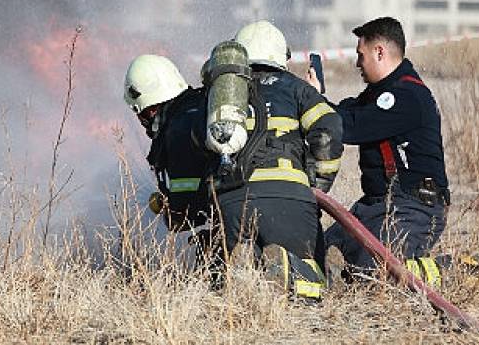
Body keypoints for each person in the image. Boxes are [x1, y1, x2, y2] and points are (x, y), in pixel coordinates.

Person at [124, 21, 342, 299]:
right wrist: (315, 185)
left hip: (233, 202)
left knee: (225, 278)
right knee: (310, 282)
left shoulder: (213, 101)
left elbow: (194, 173)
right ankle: (316, 271)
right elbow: (330, 130)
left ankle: (246, 260)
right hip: (291, 199)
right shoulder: (298, 89)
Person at [312, 17, 450, 285]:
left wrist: (314, 102)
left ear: (379, 52)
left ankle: (454, 270)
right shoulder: (378, 95)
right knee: (322, 255)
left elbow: (349, 126)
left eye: (360, 55)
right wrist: (314, 101)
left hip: (413, 209)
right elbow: (343, 113)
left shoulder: (406, 96)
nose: (357, 64)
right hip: (376, 206)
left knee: (370, 274)